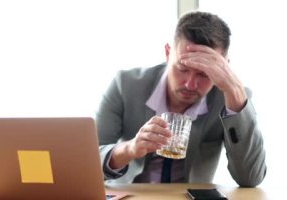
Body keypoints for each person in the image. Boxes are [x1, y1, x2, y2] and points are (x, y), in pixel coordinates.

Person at [96, 11, 266, 187]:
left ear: (223, 67)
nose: (190, 85)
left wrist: (235, 93)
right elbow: (89, 159)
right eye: (183, 69)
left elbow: (251, 178)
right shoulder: (125, 85)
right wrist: (130, 149)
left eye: (204, 74)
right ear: (168, 52)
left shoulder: (229, 99)